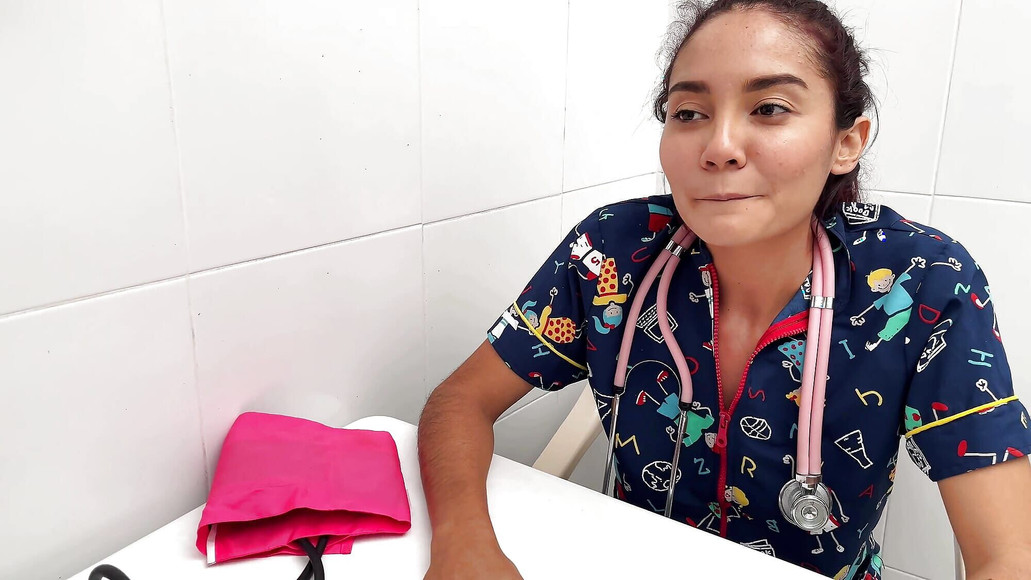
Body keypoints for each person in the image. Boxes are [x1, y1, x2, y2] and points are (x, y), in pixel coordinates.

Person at [417, 1, 1031, 578]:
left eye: (770, 109)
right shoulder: (613, 252)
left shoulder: (923, 281)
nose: (718, 148)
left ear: (846, 142)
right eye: (689, 114)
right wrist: (464, 542)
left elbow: (1008, 553)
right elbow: (460, 401)